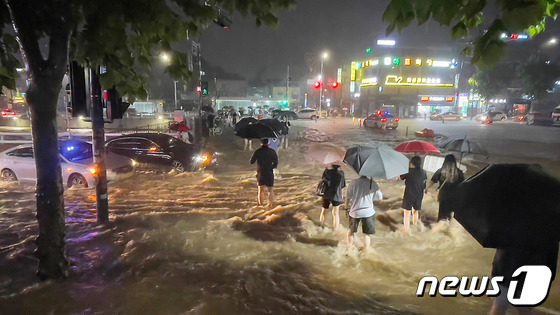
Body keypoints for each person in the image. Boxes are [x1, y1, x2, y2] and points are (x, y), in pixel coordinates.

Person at [490, 243, 559, 315]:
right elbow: (553, 250)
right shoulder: (549, 233)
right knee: (524, 309)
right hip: (531, 271)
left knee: (500, 305)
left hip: (506, 268)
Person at [345, 176, 383, 252]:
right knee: (367, 234)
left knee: (351, 231)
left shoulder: (354, 182)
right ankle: (366, 251)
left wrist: (346, 208)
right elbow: (379, 197)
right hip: (368, 212)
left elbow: (348, 197)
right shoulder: (373, 183)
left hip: (355, 212)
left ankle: (349, 248)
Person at [425, 154, 464, 221]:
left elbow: (433, 180)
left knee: (442, 213)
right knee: (451, 214)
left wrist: (427, 188)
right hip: (454, 196)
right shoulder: (459, 172)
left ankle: (441, 226)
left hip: (443, 195)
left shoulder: (441, 171)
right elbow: (463, 184)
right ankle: (448, 227)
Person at [398, 156, 427, 232]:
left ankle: (406, 229)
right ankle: (415, 225)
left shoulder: (408, 171)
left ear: (412, 164)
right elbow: (424, 185)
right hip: (419, 195)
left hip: (409, 195)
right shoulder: (424, 172)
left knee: (407, 213)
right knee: (415, 211)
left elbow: (400, 178)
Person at [250, 138, 278, 207]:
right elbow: (276, 163)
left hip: (261, 173)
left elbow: (251, 162)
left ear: (261, 143)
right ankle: (271, 205)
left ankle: (261, 206)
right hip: (269, 172)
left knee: (260, 190)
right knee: (270, 190)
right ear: (268, 143)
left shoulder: (258, 151)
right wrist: (271, 167)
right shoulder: (272, 151)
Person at [319, 163, 346, 229]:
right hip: (336, 195)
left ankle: (321, 226)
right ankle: (335, 229)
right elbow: (342, 185)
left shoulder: (326, 171)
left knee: (324, 211)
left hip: (327, 194)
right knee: (335, 213)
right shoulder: (341, 174)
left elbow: (322, 181)